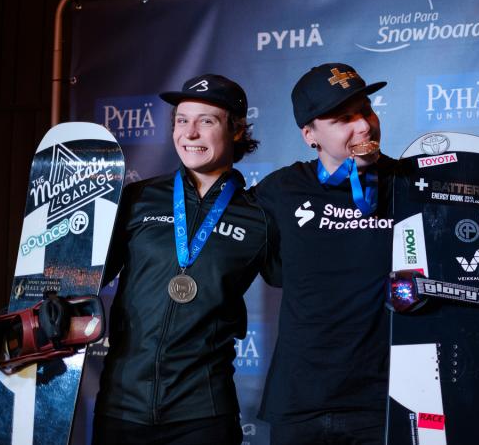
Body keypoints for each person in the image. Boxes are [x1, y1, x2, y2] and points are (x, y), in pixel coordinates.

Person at [92, 73, 278, 445]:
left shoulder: (258, 215)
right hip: (120, 407)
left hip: (203, 414)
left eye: (206, 121)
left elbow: (305, 283)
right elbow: (86, 278)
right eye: (181, 120)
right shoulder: (137, 197)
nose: (189, 133)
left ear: (237, 129)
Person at [253, 63, 394, 445]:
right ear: (309, 134)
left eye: (366, 110)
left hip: (383, 402)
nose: (364, 126)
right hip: (299, 403)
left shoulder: (408, 183)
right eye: (344, 118)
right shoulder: (279, 190)